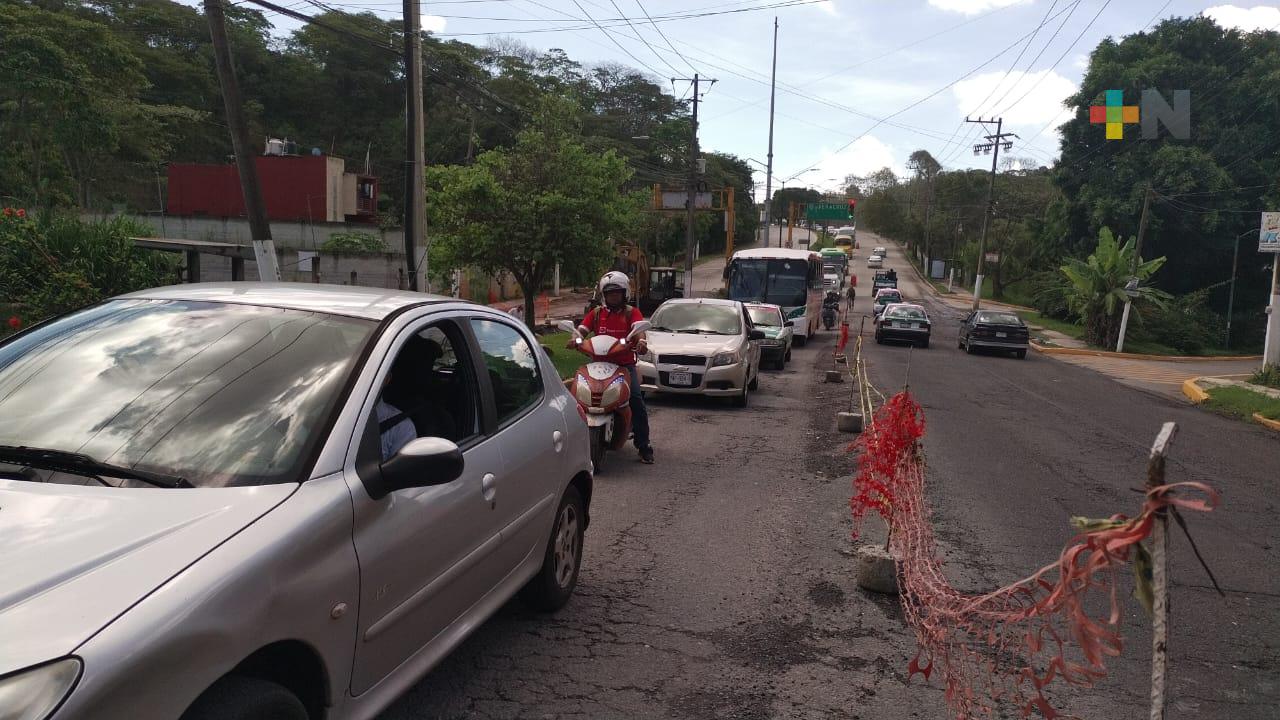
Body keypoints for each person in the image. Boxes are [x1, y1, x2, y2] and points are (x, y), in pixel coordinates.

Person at [574, 271, 654, 464]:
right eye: (609, 293)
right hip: (598, 365)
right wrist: (575, 337)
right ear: (604, 295)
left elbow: (639, 330)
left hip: (623, 366)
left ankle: (643, 445)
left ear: (625, 293)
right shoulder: (596, 314)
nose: (613, 296)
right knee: (578, 397)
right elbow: (582, 330)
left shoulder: (631, 313)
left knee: (636, 400)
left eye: (617, 293)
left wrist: (641, 342)